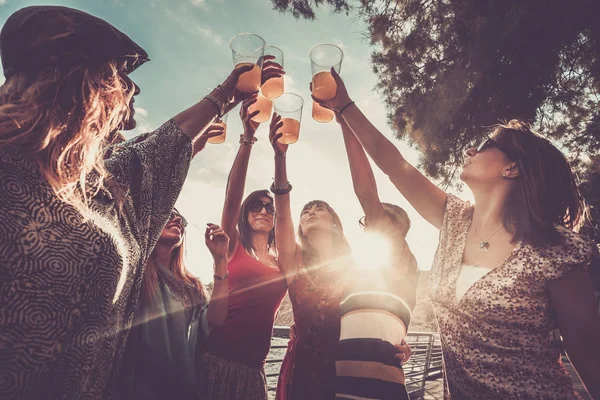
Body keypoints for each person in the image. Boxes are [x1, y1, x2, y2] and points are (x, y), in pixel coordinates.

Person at [0, 5, 277, 399]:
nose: (127, 119)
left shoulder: (91, 186)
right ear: (83, 86)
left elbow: (149, 156)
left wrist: (227, 95)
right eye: (122, 86)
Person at [313, 68, 600, 399]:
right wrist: (345, 107)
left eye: (484, 145)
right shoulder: (455, 220)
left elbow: (590, 354)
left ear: (512, 167)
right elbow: (394, 164)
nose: (469, 152)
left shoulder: (554, 250)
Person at [196, 96, 287, 400]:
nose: (263, 211)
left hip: (253, 372)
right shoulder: (233, 247)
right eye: (256, 207)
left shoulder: (283, 262)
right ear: (247, 215)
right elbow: (231, 200)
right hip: (217, 363)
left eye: (269, 208)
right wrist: (248, 137)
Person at [334, 112, 419, 400]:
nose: (370, 223)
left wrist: (345, 122)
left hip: (380, 387)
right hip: (342, 384)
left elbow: (366, 194)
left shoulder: (402, 258)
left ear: (399, 229)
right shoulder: (358, 269)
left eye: (381, 218)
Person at [114, 209, 229, 400]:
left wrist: (221, 259)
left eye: (180, 219)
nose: (177, 219)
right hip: (133, 388)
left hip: (179, 388)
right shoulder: (134, 272)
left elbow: (216, 319)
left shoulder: (192, 286)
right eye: (168, 213)